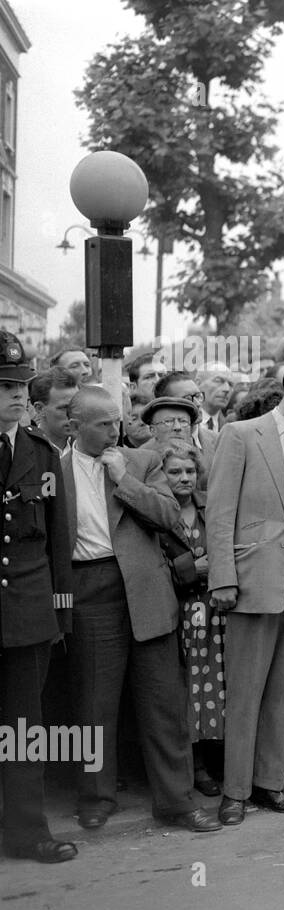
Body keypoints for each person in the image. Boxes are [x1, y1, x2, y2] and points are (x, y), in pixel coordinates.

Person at [61, 386, 220, 833]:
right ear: (74, 428)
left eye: (117, 420)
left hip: (148, 588)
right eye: (104, 424)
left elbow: (169, 514)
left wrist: (123, 480)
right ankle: (95, 797)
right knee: (94, 703)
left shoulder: (139, 461)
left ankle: (176, 801)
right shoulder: (54, 470)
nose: (116, 430)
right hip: (89, 586)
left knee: (164, 704)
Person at [206, 358, 284, 824]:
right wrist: (222, 577)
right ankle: (235, 792)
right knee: (244, 692)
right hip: (251, 583)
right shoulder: (240, 436)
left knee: (283, 693)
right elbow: (219, 513)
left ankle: (268, 784)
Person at [0, 333, 79, 862]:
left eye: (19, 386)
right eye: (3, 386)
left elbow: (58, 542)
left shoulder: (40, 454)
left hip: (27, 614)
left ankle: (28, 832)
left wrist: (62, 615)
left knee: (23, 730)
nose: (14, 395)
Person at [157, 439, 225, 798]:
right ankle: (193, 764)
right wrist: (191, 569)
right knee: (187, 689)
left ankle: (216, 757)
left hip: (214, 611)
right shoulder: (157, 511)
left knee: (215, 683)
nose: (184, 478)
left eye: (190, 471)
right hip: (178, 611)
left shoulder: (208, 506)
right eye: (175, 472)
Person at [27, 368, 79, 453]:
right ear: (39, 408)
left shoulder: (90, 449)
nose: (74, 415)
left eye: (77, 406)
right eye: (64, 408)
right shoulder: (21, 450)